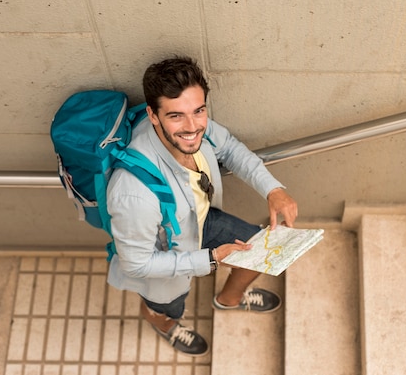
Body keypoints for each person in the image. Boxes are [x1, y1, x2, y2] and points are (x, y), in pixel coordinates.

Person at [105, 55, 298, 356]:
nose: (192, 127)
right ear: (153, 116)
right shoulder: (133, 194)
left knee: (259, 253)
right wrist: (209, 259)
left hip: (201, 220)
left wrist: (272, 188)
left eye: (199, 111)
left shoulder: (194, 129)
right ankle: (162, 323)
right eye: (176, 116)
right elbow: (137, 263)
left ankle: (230, 298)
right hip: (167, 256)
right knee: (170, 307)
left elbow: (230, 147)